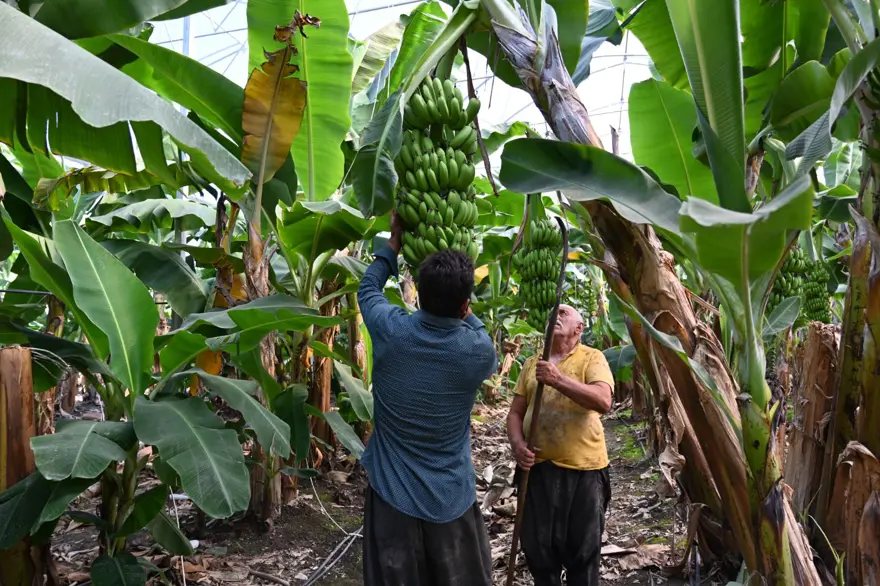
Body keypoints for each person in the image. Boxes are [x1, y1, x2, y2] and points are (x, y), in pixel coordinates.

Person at [357, 211, 498, 586]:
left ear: (417, 295)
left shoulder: (392, 330)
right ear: (466, 304)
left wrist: (393, 243)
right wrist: (463, 310)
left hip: (392, 495)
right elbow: (479, 332)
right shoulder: (477, 352)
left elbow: (368, 289)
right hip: (450, 497)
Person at [507, 304, 614, 586]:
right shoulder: (532, 363)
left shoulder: (592, 357)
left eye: (564, 313)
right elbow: (516, 412)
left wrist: (558, 379)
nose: (556, 314)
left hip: (584, 470)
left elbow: (603, 401)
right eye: (553, 311)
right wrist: (517, 444)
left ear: (579, 329)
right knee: (538, 550)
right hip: (537, 469)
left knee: (583, 551)